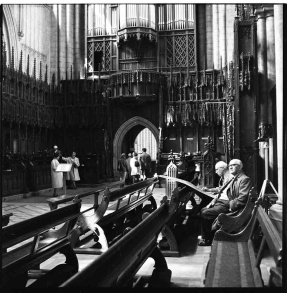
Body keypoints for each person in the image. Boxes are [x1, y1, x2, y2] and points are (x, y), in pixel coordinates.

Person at [198, 159, 252, 246]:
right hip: (223, 202)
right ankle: (208, 236)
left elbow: (242, 199)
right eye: (230, 165)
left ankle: (207, 239)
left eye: (234, 165)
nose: (230, 167)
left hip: (230, 205)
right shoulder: (234, 177)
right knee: (203, 210)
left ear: (240, 167)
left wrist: (230, 206)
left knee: (205, 213)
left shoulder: (244, 179)